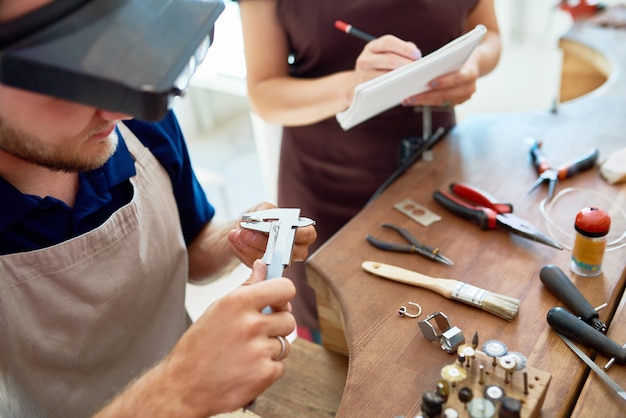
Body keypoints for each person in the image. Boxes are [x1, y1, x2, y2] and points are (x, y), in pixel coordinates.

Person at [0, 0, 316, 417]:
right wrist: (179, 390)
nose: (122, 106)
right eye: (70, 76)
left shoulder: (135, 128)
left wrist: (237, 238)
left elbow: (193, 249)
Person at [235, 0, 502, 342]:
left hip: (433, 173)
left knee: (436, 316)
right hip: (326, 191)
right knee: (334, 328)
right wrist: (354, 87)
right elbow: (263, 93)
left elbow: (490, 35)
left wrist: (472, 64)